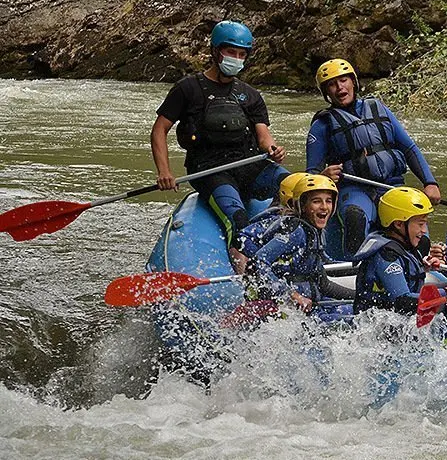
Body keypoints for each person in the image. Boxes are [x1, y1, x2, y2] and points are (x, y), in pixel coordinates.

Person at [150, 20, 288, 271]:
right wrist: (164, 171)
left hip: (249, 165)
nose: (236, 58)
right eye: (230, 52)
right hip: (210, 170)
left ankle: (282, 244)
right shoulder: (188, 88)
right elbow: (160, 129)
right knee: (237, 217)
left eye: (241, 54)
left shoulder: (250, 94)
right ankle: (247, 275)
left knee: (294, 186)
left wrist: (273, 150)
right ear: (216, 52)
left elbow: (263, 136)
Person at [306, 58, 440, 260]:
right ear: (326, 92)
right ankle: (355, 269)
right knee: (354, 215)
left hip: (392, 186)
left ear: (354, 82)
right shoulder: (322, 124)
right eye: (332, 84)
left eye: (343, 80)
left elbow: (409, 148)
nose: (339, 87)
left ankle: (418, 264)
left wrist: (430, 182)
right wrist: (324, 177)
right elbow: (311, 175)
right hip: (354, 188)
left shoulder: (378, 108)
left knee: (415, 219)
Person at [353, 187, 447, 338]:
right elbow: (403, 302)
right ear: (399, 224)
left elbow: (413, 289)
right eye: (420, 224)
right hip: (381, 334)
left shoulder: (405, 249)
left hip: (400, 328)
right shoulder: (386, 256)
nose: (424, 230)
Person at [245, 174, 354, 314]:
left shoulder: (316, 232)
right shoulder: (296, 231)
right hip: (287, 308)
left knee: (356, 310)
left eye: (328, 201)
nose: (324, 207)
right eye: (316, 201)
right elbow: (258, 261)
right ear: (302, 205)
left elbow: (324, 285)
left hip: (312, 305)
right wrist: (293, 296)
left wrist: (361, 296)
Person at [235, 171, 309, 261]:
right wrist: (262, 258)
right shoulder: (280, 222)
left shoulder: (312, 226)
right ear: (293, 203)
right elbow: (241, 239)